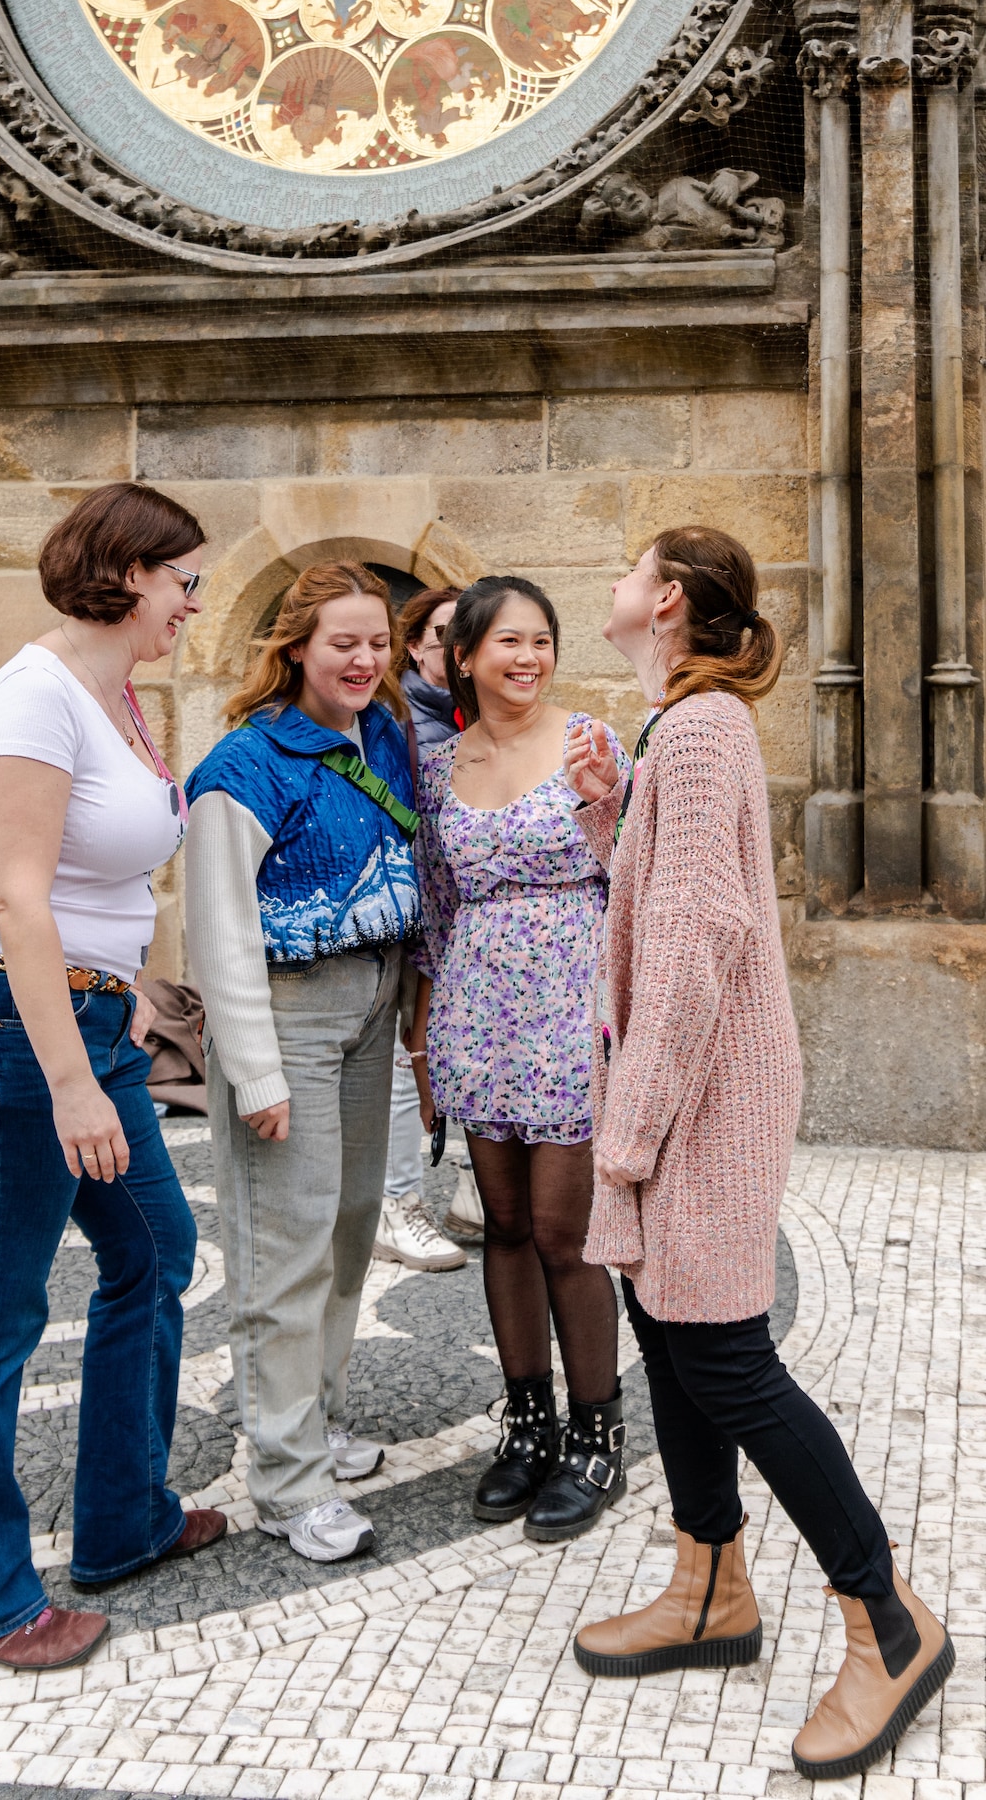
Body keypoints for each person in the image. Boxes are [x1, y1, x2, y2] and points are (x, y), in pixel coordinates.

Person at [566, 526, 954, 1779]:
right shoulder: (680, 735)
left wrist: (629, 1129)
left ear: (666, 602)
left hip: (700, 1102)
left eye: (632, 570)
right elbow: (667, 900)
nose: (617, 587)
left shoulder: (698, 729)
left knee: (725, 1356)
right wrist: (609, 813)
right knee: (670, 1333)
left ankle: (887, 1624)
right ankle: (710, 1585)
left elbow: (693, 945)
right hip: (687, 1094)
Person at [0, 482, 227, 1673]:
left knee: (154, 1249)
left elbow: (97, 886)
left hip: (79, 1018)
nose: (196, 602)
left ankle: (124, 1516)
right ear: (131, 572)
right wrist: (72, 1082)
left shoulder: (118, 698)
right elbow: (22, 896)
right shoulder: (34, 693)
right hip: (1, 1023)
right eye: (186, 579)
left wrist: (125, 989)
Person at [182, 561, 420, 1563]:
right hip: (287, 1014)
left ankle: (314, 1420)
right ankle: (285, 1481)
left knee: (350, 1229)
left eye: (378, 642)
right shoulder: (242, 767)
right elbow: (219, 931)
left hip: (370, 1003)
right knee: (284, 1250)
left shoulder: (386, 741)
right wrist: (255, 1073)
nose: (364, 660)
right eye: (343, 643)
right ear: (295, 650)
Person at [409, 575, 631, 1543]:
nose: (528, 658)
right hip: (475, 1006)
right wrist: (425, 1038)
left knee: (560, 1230)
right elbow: (435, 907)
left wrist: (603, 813)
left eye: (540, 640)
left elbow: (638, 877)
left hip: (570, 1008)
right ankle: (527, 1422)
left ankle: (596, 1432)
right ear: (463, 656)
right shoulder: (434, 767)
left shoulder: (591, 743)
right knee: (498, 1223)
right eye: (506, 641)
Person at [373, 585, 470, 1272]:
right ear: (415, 645)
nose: (455, 647)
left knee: (457, 1050)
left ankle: (470, 1191)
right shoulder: (399, 716)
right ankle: (397, 1203)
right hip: (413, 915)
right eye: (442, 635)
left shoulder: (470, 712)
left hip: (464, 917)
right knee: (411, 1056)